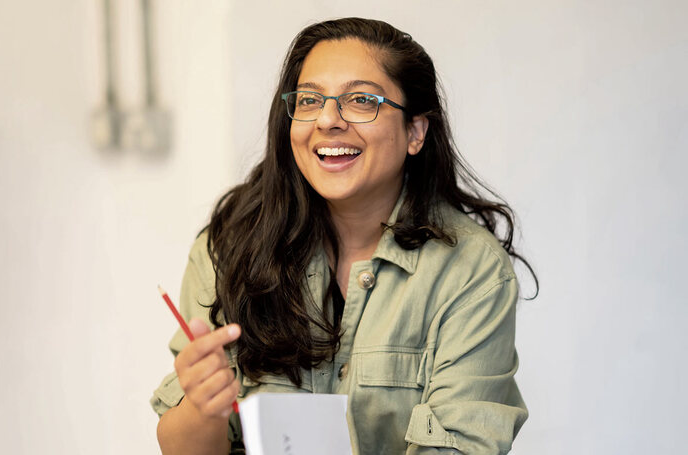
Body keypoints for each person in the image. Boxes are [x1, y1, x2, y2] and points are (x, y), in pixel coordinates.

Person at [151, 17, 537, 455]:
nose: (328, 120)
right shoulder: (228, 245)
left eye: (360, 100)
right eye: (310, 100)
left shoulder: (470, 269)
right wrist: (204, 407)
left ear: (415, 131)